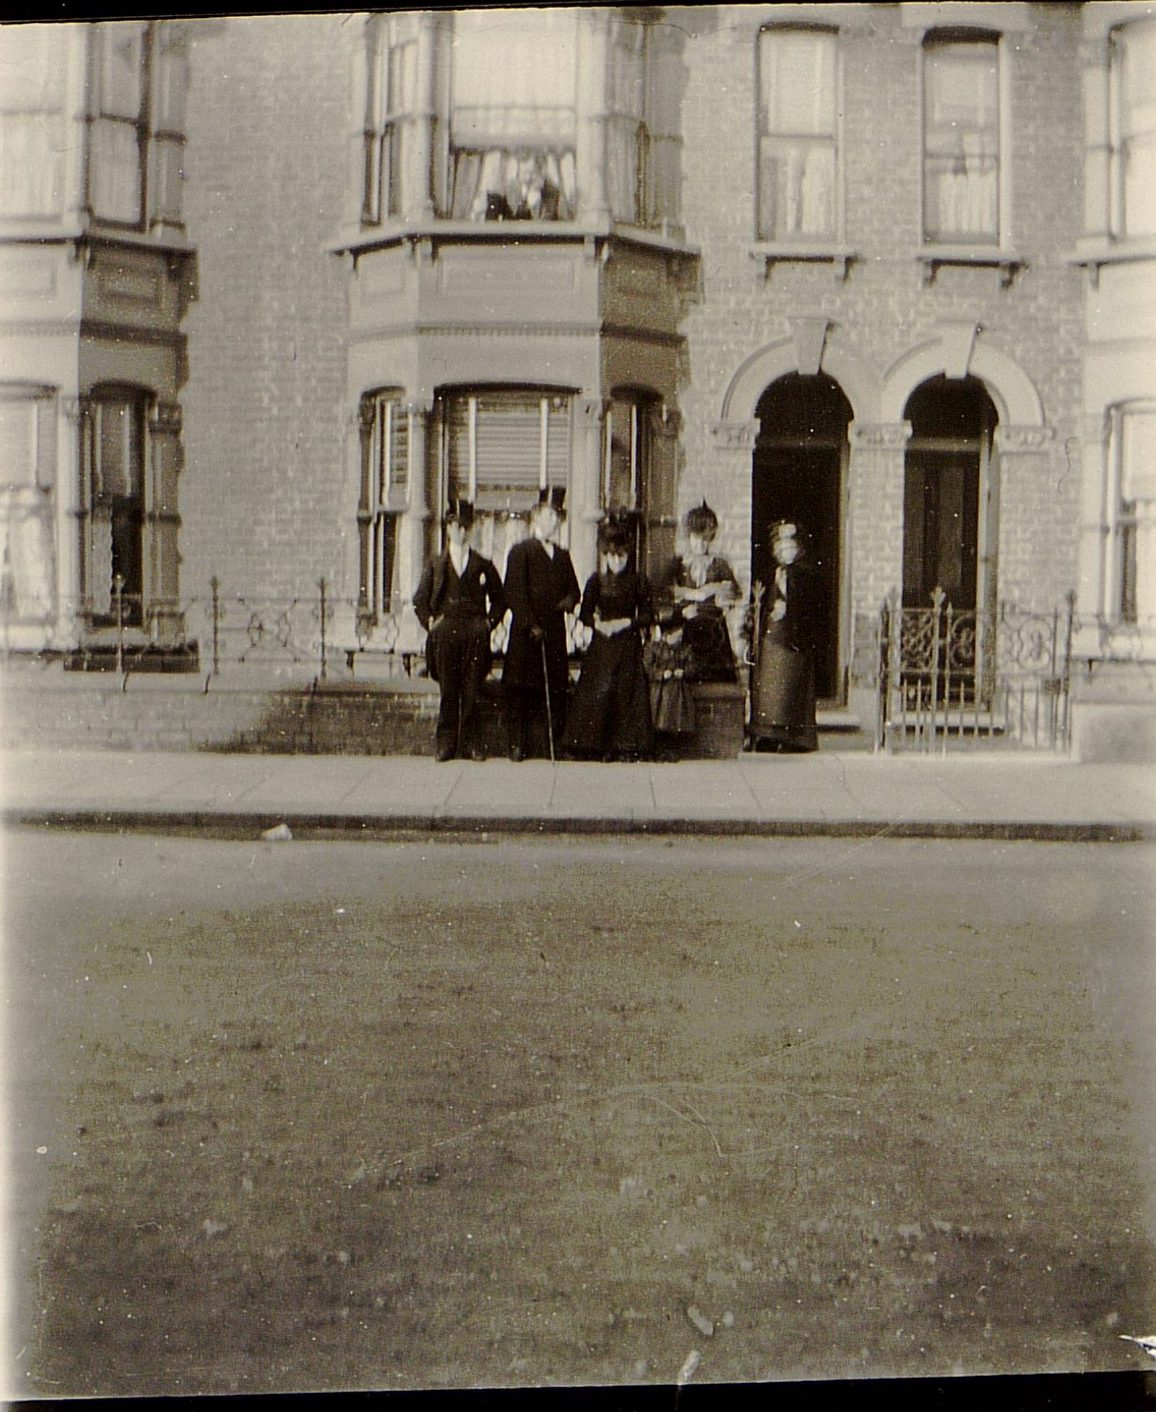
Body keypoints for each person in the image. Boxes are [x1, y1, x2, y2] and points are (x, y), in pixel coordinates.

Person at [412, 498, 507, 762]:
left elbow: (500, 599)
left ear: (472, 528)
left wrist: (488, 624)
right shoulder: (436, 564)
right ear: (448, 527)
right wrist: (431, 623)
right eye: (455, 525)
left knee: (472, 689)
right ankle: (446, 743)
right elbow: (420, 599)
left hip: (474, 632)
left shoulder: (482, 563)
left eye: (466, 526)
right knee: (449, 689)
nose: (461, 531)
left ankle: (471, 743)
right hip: (446, 631)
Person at [563, 517, 655, 762]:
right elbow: (584, 612)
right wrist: (599, 624)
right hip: (603, 644)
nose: (617, 561)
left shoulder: (638, 581)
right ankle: (594, 745)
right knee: (599, 692)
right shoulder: (596, 581)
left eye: (621, 556)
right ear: (604, 555)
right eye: (612, 556)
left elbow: (647, 615)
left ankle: (625, 745)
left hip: (627, 643)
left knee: (626, 693)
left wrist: (626, 623)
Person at [501, 487, 580, 761]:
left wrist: (567, 602)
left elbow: (574, 590)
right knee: (519, 688)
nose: (553, 521)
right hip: (527, 634)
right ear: (536, 516)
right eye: (549, 515)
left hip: (554, 632)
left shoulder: (562, 555)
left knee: (555, 688)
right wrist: (530, 623)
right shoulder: (520, 551)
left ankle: (554, 744)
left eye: (557, 516)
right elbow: (513, 593)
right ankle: (517, 744)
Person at [746, 520, 819, 753]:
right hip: (771, 640)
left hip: (792, 641)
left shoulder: (805, 575)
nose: (784, 552)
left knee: (788, 690)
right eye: (781, 547)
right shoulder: (773, 573)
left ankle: (791, 737)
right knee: (768, 690)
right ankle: (766, 734)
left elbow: (809, 608)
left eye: (790, 547)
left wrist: (789, 609)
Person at [662, 500, 740, 682]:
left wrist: (718, 590)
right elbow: (664, 591)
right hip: (686, 627)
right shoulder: (678, 564)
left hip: (713, 631)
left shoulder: (719, 564)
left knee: (716, 681)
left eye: (706, 539)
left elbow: (734, 592)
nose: (701, 544)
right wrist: (693, 595)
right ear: (689, 536)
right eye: (697, 538)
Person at [643, 615, 695, 761]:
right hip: (659, 691)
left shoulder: (685, 649)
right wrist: (660, 674)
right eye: (677, 634)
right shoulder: (653, 648)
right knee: (658, 719)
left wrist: (684, 672)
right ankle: (658, 750)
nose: (680, 637)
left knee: (674, 720)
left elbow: (693, 667)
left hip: (677, 692)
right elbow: (647, 667)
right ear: (667, 635)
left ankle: (670, 750)